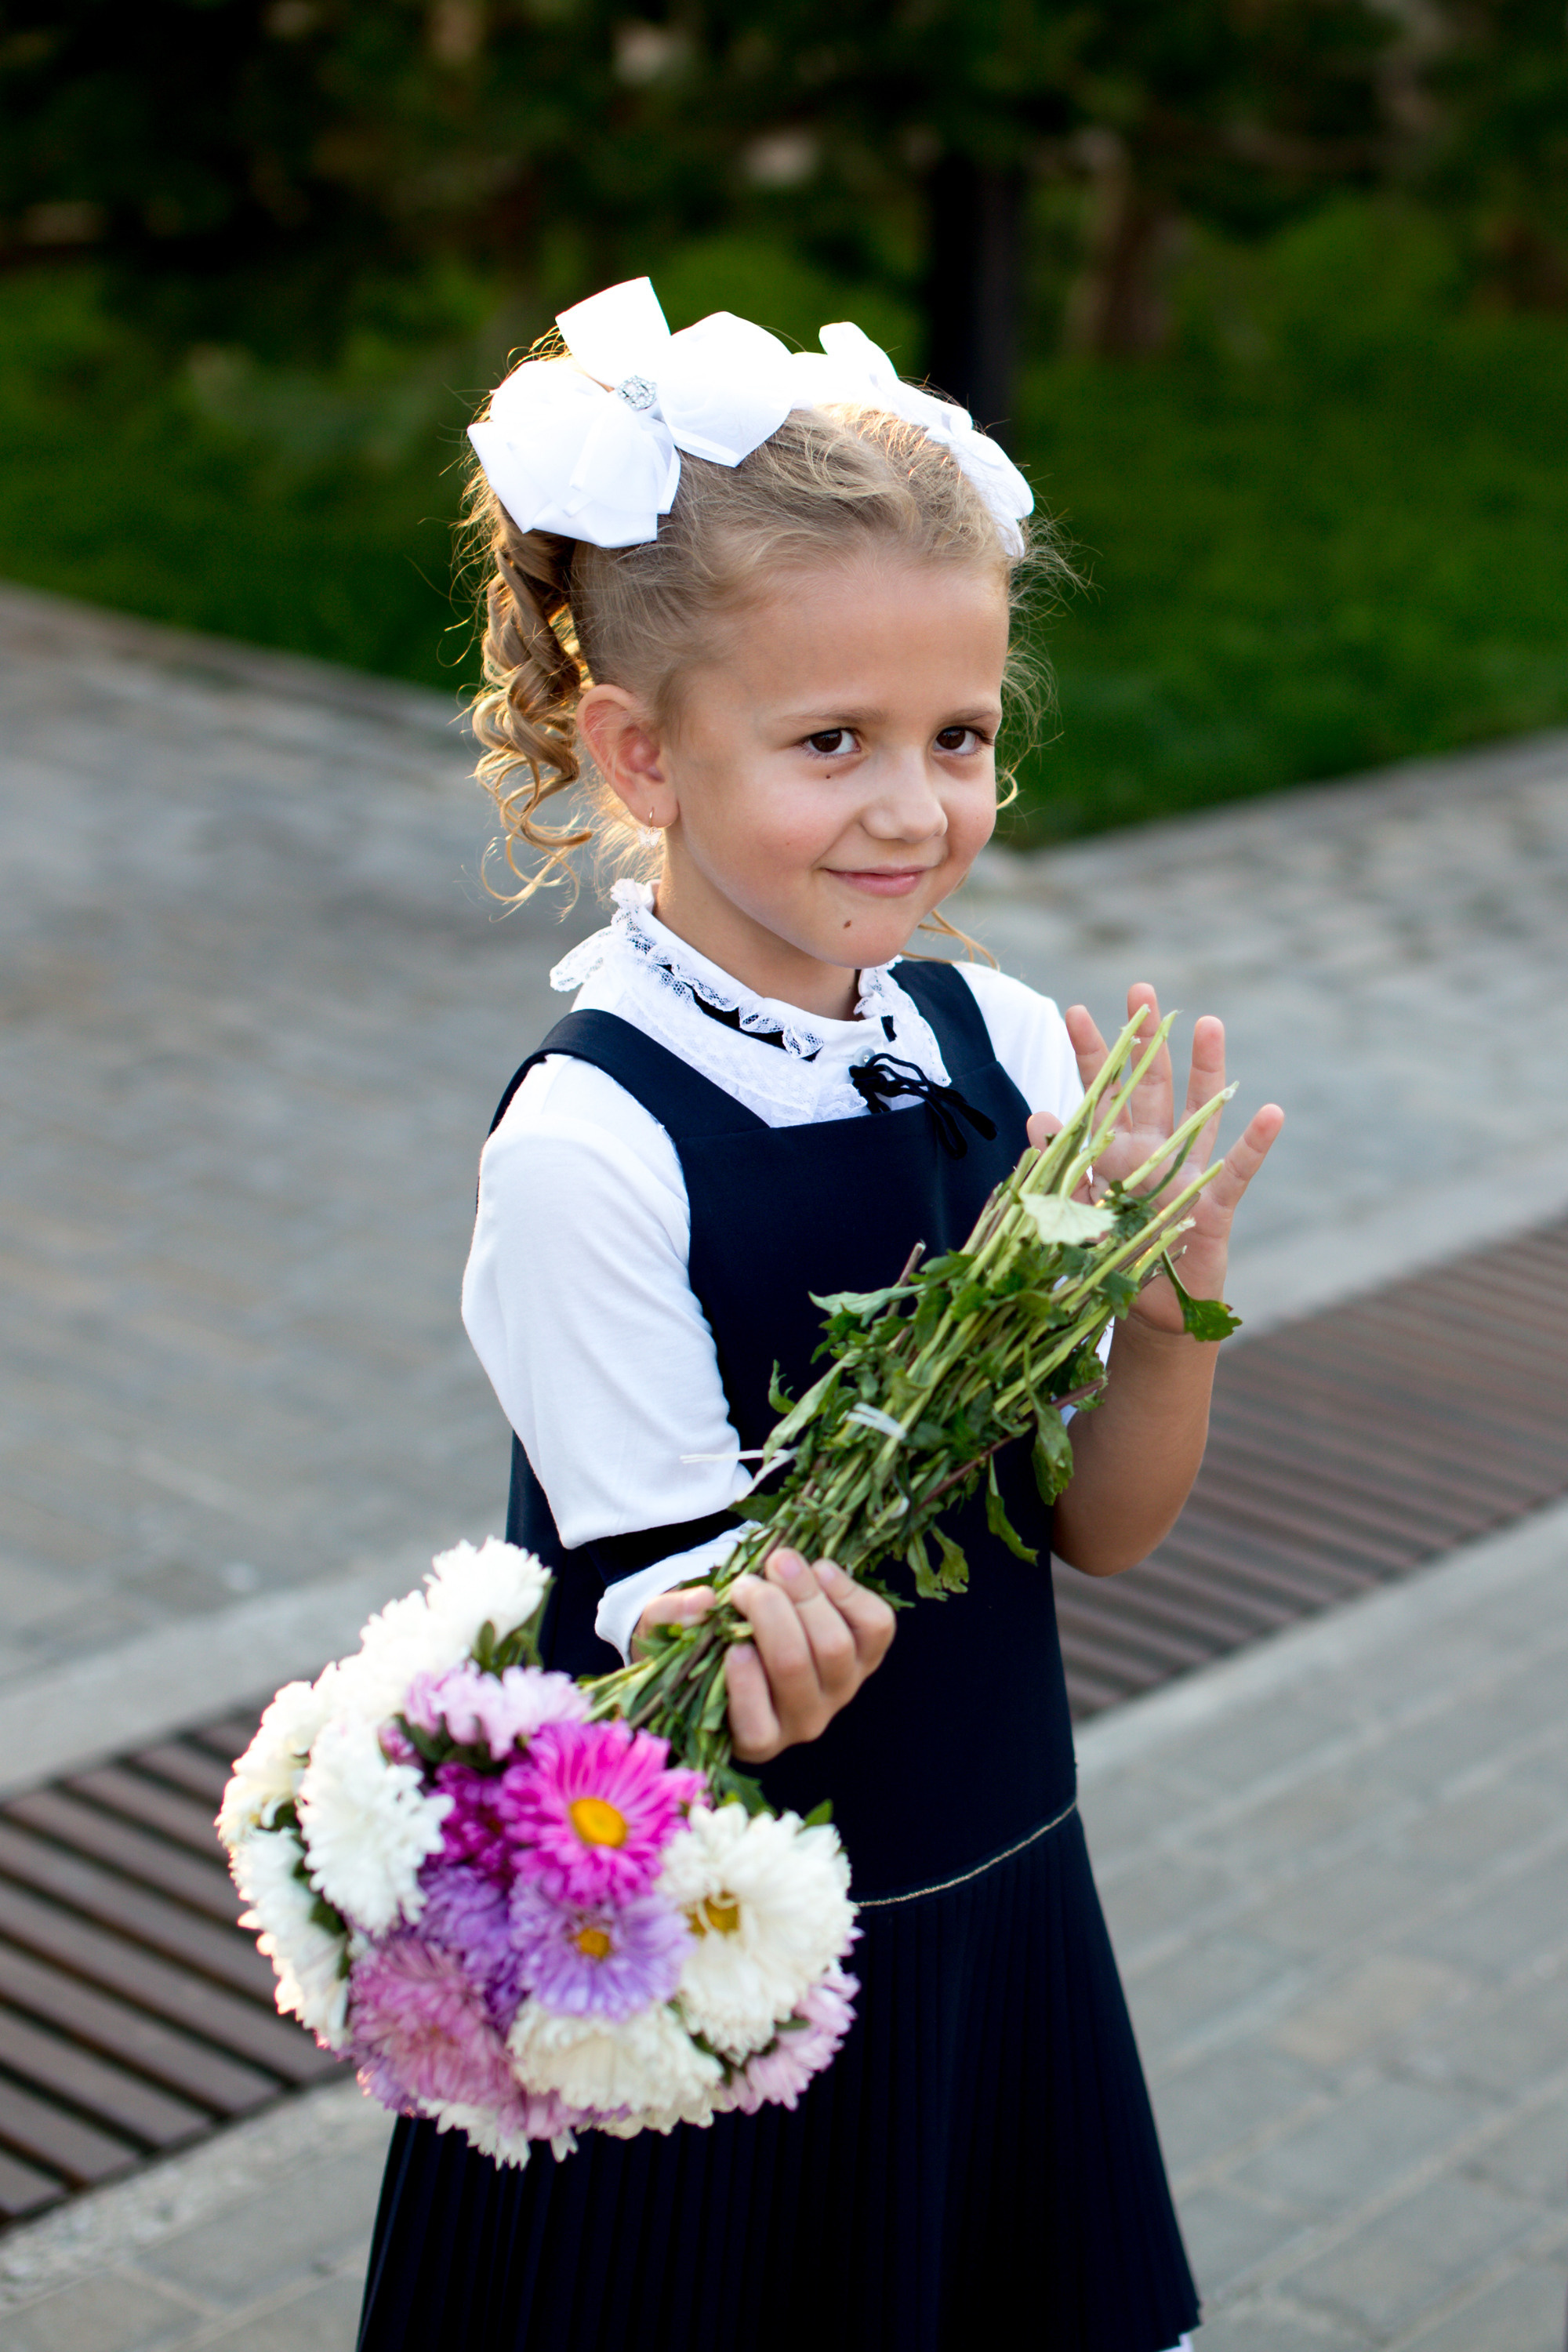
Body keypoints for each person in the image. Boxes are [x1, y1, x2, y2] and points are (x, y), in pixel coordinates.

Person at [358, 278, 1283, 2352]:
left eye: (958, 739)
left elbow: (1105, 1534)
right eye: (831, 743)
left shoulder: (1004, 1044)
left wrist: (1168, 1311)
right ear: (640, 752)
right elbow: (715, 1679)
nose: (912, 808)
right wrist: (753, 1621)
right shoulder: (597, 1146)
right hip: (706, 1951)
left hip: (995, 1885)